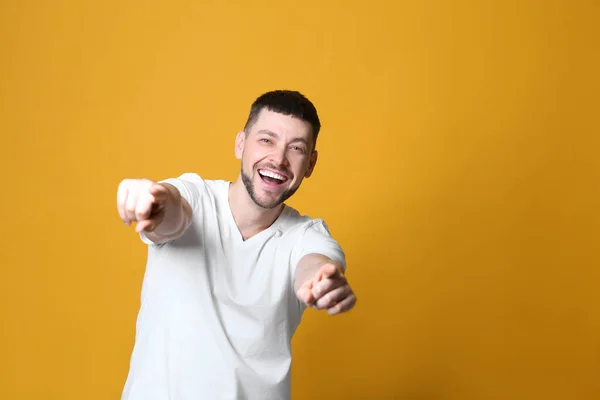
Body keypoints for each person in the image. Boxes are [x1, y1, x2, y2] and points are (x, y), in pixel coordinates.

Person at [116, 90, 357, 400]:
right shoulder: (195, 196)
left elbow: (314, 264)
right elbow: (174, 211)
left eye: (295, 148)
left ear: (310, 164)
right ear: (240, 143)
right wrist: (153, 202)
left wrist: (321, 280)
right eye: (266, 140)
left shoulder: (307, 235)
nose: (279, 159)